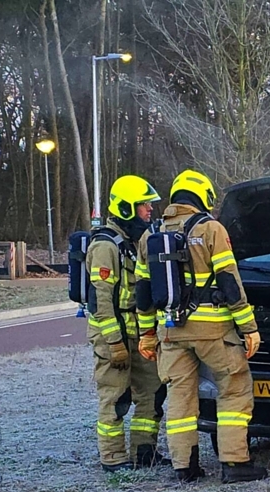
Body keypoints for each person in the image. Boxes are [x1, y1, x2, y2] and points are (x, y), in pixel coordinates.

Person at [134, 169, 266, 484]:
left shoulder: (150, 235)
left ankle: (185, 467)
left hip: (170, 331)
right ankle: (235, 463)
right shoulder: (210, 229)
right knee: (234, 389)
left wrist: (147, 334)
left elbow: (142, 292)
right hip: (213, 331)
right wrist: (249, 327)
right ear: (202, 197)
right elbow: (229, 281)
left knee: (180, 397)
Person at [88, 175, 168, 472]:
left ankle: (144, 453)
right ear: (125, 208)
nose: (149, 210)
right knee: (116, 397)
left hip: (138, 335)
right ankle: (113, 457)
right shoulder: (105, 246)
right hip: (113, 337)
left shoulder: (135, 243)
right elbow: (100, 300)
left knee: (153, 392)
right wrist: (114, 342)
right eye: (143, 205)